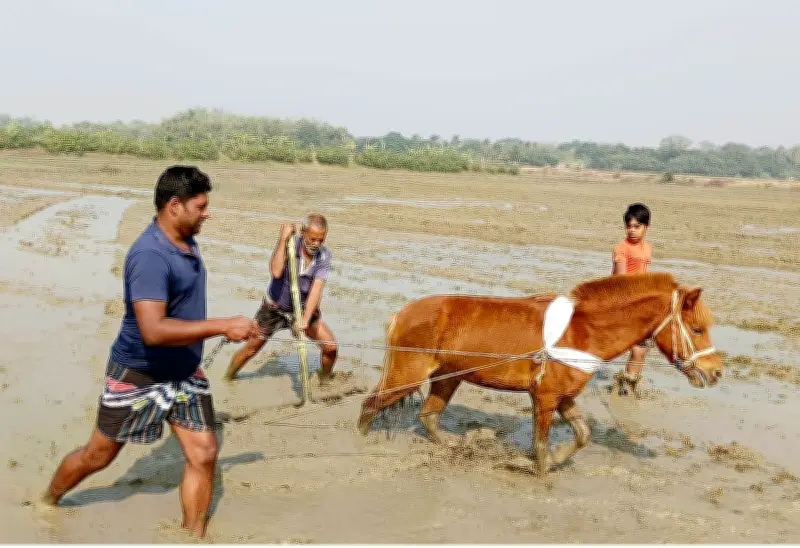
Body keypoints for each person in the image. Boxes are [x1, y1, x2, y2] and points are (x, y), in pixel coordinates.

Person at [40, 166, 259, 538]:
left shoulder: (186, 239)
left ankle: (193, 536)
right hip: (139, 374)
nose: (208, 213)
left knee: (204, 453)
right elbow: (153, 330)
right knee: (99, 456)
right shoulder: (149, 256)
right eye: (201, 206)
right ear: (175, 206)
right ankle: (47, 503)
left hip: (185, 373)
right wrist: (223, 325)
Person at [224, 214, 339, 385]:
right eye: (313, 239)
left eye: (321, 240)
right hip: (274, 308)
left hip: (302, 308)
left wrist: (306, 320)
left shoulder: (324, 256)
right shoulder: (290, 245)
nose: (316, 244)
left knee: (330, 347)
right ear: (303, 232)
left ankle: (325, 380)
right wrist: (283, 239)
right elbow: (276, 272)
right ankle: (228, 378)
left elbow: (316, 289)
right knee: (251, 349)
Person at [611, 202, 653, 397]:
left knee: (641, 350)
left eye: (637, 226)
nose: (632, 231)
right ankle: (626, 386)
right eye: (629, 226)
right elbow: (621, 282)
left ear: (647, 227)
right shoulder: (622, 248)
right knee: (633, 348)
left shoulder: (647, 249)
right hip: (621, 303)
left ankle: (627, 386)